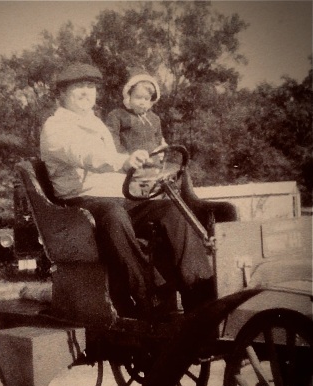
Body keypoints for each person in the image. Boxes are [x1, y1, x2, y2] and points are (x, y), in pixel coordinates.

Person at [40, 62, 214, 318]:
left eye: (91, 87)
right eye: (79, 87)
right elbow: (82, 154)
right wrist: (121, 160)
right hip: (79, 205)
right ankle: (148, 292)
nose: (87, 93)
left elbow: (118, 160)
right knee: (114, 214)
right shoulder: (55, 127)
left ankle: (201, 295)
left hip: (118, 197)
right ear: (63, 93)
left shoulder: (97, 124)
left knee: (171, 212)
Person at [106, 68, 168, 155]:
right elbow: (112, 139)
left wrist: (160, 150)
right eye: (138, 97)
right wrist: (123, 156)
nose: (142, 102)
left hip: (152, 163)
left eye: (146, 99)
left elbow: (158, 139)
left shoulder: (154, 119)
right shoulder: (118, 115)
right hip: (128, 163)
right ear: (129, 96)